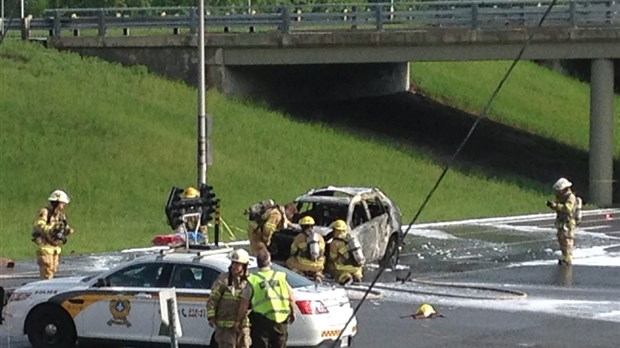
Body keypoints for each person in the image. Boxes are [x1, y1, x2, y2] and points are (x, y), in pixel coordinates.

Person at [240, 249, 295, 348]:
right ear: (270, 262)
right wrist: (293, 312)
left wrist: (238, 319)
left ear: (257, 263)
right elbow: (290, 297)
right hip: (280, 321)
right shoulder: (280, 277)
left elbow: (244, 302)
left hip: (261, 322)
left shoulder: (253, 279)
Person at [206, 249, 252, 348]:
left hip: (242, 326)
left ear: (244, 265)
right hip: (225, 326)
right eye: (233, 263)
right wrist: (211, 317)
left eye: (238, 264)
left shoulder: (250, 281)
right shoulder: (223, 280)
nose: (235, 266)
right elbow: (212, 299)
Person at [32, 189, 75, 279]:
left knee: (53, 269)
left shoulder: (61, 215)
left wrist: (67, 230)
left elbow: (63, 226)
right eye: (62, 204)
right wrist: (51, 230)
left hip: (55, 247)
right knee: (47, 271)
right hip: (45, 246)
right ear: (56, 202)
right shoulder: (45, 212)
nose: (63, 206)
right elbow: (39, 225)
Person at [546, 177, 578, 265]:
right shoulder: (561, 197)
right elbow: (557, 206)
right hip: (561, 221)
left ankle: (568, 258)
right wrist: (552, 205)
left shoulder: (571, 197)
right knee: (561, 239)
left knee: (567, 240)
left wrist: (556, 205)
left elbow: (568, 208)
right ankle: (564, 257)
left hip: (568, 222)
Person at [285, 216, 325, 282]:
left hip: (304, 264)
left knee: (289, 261)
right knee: (320, 266)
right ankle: (318, 275)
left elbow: (293, 251)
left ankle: (299, 273)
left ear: (302, 226)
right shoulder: (320, 237)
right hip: (318, 264)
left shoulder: (299, 237)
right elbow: (322, 251)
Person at [325, 219, 364, 285]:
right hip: (356, 267)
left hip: (343, 268)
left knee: (332, 267)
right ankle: (357, 276)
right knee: (356, 271)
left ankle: (345, 277)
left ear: (336, 230)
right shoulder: (351, 239)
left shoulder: (335, 243)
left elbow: (332, 257)